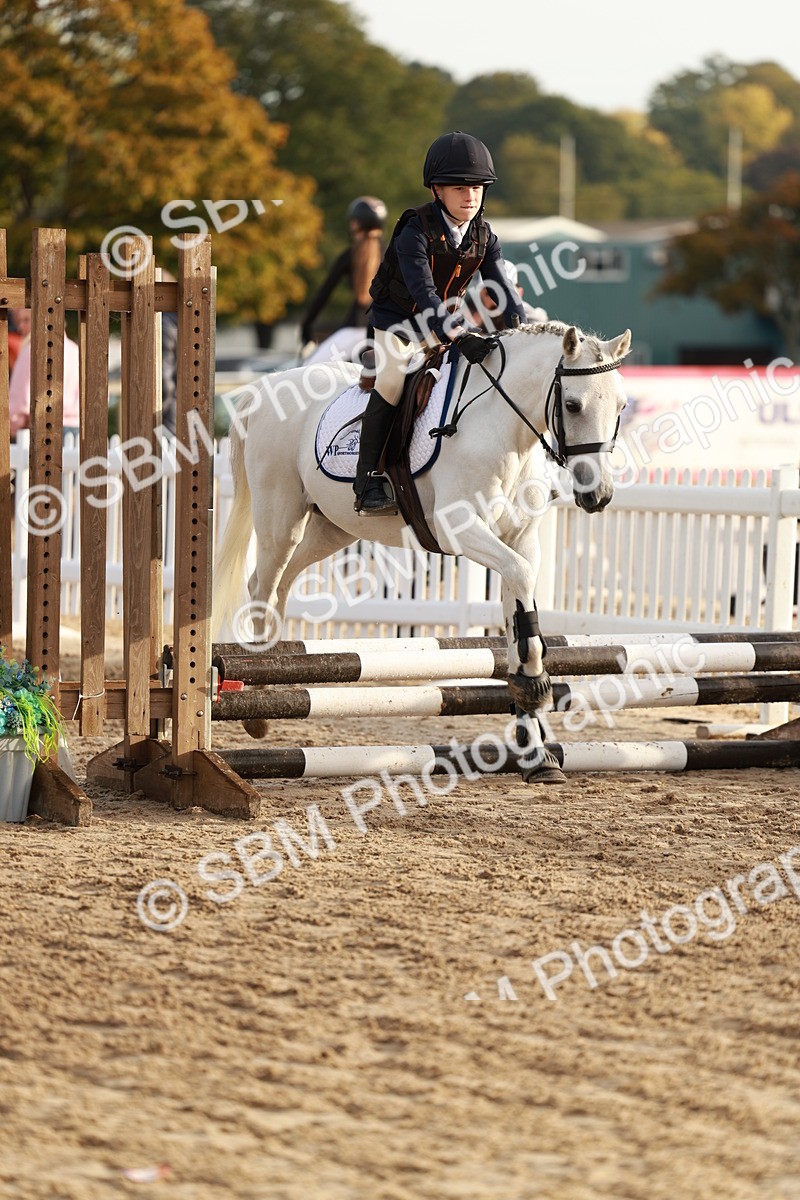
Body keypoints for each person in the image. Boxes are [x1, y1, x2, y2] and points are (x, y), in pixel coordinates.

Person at [356, 131, 527, 513]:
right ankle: (367, 480)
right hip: (398, 324)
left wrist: (525, 335)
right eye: (459, 188)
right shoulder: (413, 230)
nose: (470, 196)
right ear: (436, 190)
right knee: (393, 378)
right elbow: (424, 294)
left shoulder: (484, 236)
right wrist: (460, 334)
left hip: (442, 325)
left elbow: (506, 296)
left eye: (478, 188)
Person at [301, 196, 387, 365]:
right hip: (384, 332)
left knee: (308, 369)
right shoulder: (393, 253)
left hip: (355, 329)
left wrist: (307, 325)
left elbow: (324, 293)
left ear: (356, 223)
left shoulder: (351, 254)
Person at [8, 309, 80, 439]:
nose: (20, 326)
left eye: (26, 320)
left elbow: (19, 401)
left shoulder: (31, 351)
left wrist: (13, 425)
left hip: (43, 428)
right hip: (76, 430)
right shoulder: (76, 351)